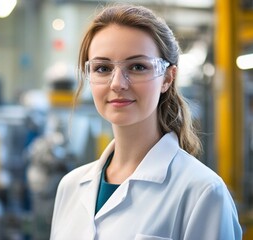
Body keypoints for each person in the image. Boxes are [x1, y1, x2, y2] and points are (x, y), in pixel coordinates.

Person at [50, 4, 242, 240]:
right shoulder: (70, 186)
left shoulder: (202, 191)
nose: (118, 83)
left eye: (138, 66)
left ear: (167, 78)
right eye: (103, 68)